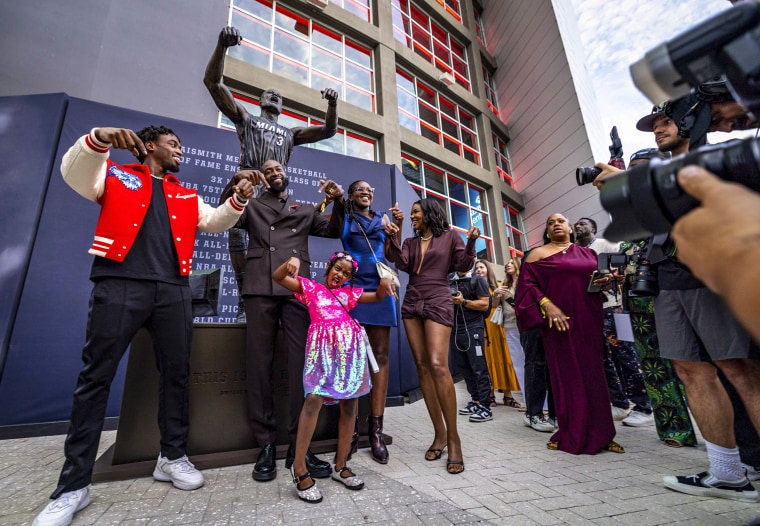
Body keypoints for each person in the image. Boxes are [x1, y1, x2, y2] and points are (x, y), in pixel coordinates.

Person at [32, 126, 254, 526]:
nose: (179, 151)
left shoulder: (185, 194)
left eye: (181, 146)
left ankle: (170, 457)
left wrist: (237, 200)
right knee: (95, 379)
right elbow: (74, 174)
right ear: (149, 146)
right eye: (173, 144)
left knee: (177, 376)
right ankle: (73, 487)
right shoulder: (117, 174)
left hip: (173, 290)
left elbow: (215, 221)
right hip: (119, 283)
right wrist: (97, 138)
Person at [219, 160, 344, 483]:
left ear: (286, 175)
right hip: (260, 284)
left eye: (279, 169)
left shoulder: (303, 209)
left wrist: (340, 201)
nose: (275, 173)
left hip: (295, 289)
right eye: (269, 171)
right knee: (259, 364)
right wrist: (234, 182)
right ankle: (266, 445)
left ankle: (298, 446)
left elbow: (333, 230)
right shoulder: (252, 204)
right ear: (263, 178)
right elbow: (224, 216)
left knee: (300, 365)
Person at [204, 25, 340, 322]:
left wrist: (332, 103)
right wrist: (222, 46)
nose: (275, 95)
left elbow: (329, 130)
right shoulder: (247, 120)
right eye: (270, 93)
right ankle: (244, 302)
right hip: (248, 186)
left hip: (276, 194)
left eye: (279, 95)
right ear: (261, 100)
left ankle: (284, 295)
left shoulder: (290, 132)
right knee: (239, 238)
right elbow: (213, 84)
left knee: (278, 246)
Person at [272, 252, 394, 503]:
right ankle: (299, 468)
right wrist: (291, 261)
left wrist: (383, 284)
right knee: (313, 400)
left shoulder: (350, 295)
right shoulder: (311, 288)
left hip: (349, 353)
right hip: (321, 353)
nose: (340, 275)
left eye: (347, 273)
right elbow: (279, 277)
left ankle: (340, 465)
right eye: (338, 269)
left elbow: (379, 296)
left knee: (350, 405)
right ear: (329, 267)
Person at [384, 199, 480, 474]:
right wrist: (394, 232)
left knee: (438, 365)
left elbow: (461, 265)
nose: (413, 216)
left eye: (416, 212)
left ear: (429, 213)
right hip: (412, 299)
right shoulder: (411, 243)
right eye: (412, 213)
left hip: (439, 297)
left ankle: (454, 438)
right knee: (423, 368)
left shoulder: (451, 236)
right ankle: (439, 434)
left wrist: (471, 242)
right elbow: (399, 262)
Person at [515, 213, 622, 455]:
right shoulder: (536, 254)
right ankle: (572, 432)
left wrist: (607, 281)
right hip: (558, 323)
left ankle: (603, 434)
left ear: (571, 229)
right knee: (568, 377)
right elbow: (526, 287)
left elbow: (597, 282)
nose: (555, 224)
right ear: (547, 231)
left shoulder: (589, 254)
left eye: (561, 221)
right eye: (550, 222)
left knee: (595, 376)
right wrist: (547, 305)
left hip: (589, 319)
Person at [328, 181, 401, 463]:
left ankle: (376, 432)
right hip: (354, 288)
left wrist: (397, 228)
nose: (366, 191)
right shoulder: (344, 217)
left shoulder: (383, 217)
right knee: (353, 357)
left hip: (382, 287)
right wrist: (333, 200)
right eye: (359, 189)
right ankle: (352, 432)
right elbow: (332, 230)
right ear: (350, 195)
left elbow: (393, 255)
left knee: (381, 356)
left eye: (370, 189)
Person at [574, 217, 653, 426]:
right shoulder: (574, 251)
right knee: (603, 360)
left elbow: (627, 267)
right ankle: (620, 403)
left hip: (614, 309)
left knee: (626, 355)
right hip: (590, 311)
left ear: (593, 228)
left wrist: (614, 276)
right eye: (576, 224)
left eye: (583, 223)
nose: (577, 226)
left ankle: (644, 406)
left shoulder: (605, 244)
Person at [474, 259, 521, 408]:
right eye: (476, 269)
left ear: (488, 269)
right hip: (485, 325)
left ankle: (508, 396)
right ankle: (491, 394)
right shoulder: (474, 286)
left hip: (500, 325)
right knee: (489, 359)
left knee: (504, 357)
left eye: (481, 267)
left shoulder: (498, 285)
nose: (479, 270)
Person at [450, 267, 493, 423]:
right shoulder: (450, 278)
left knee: (479, 367)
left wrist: (464, 302)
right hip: (455, 329)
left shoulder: (477, 280)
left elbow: (484, 305)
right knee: (464, 368)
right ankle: (475, 401)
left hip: (473, 328)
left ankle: (485, 406)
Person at [493, 257, 526, 406]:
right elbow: (494, 305)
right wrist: (495, 294)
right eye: (507, 263)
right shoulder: (504, 284)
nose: (508, 265)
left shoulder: (525, 281)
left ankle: (542, 403)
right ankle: (527, 401)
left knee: (531, 362)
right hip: (510, 326)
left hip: (526, 326)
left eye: (512, 263)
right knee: (518, 364)